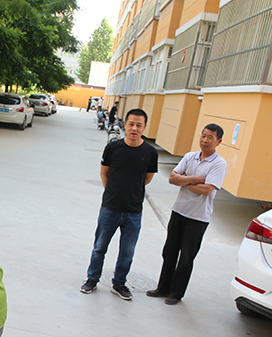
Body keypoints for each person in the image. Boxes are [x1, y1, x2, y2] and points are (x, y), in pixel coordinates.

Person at [80, 108, 158, 300]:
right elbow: (104, 173)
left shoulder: (150, 152)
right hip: (110, 208)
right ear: (125, 125)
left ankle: (119, 283)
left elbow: (146, 179)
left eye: (139, 125)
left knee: (127, 251)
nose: (134, 128)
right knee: (99, 246)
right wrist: (113, 193)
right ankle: (92, 279)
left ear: (144, 127)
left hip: (134, 211)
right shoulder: (113, 148)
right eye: (131, 124)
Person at [146, 124, 227, 305]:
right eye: (203, 136)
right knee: (169, 252)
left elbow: (206, 190)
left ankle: (176, 293)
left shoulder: (219, 164)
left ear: (218, 141)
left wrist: (184, 181)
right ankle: (163, 288)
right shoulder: (190, 157)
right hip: (179, 211)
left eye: (210, 137)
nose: (205, 140)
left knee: (186, 257)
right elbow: (172, 178)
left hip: (198, 218)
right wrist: (194, 179)